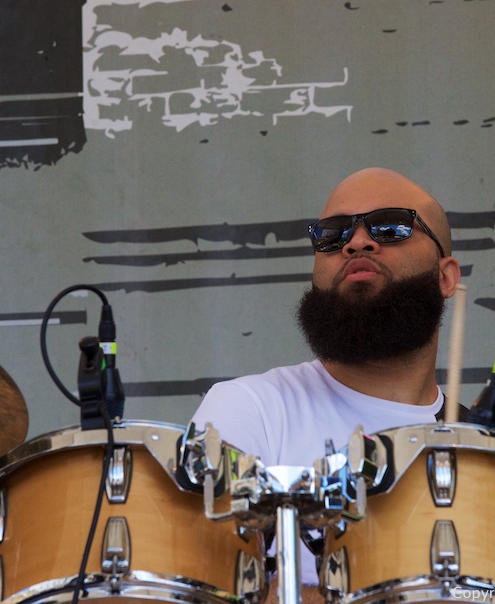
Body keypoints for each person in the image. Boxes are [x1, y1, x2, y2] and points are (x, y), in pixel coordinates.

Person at [190, 167, 462, 596]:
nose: (356, 242)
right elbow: (199, 587)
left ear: (446, 277)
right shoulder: (248, 410)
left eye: (390, 226)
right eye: (333, 234)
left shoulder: (492, 452)